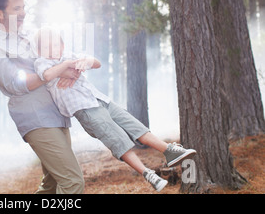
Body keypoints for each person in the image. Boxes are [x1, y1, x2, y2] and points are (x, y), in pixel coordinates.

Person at [34, 28, 197, 192]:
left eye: (56, 44)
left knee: (134, 126)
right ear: (40, 50)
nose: (53, 49)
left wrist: (85, 61)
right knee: (117, 140)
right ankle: (147, 174)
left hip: (101, 100)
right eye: (48, 46)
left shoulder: (68, 54)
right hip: (84, 109)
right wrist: (69, 66)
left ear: (62, 45)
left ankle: (168, 151)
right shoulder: (42, 62)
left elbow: (96, 63)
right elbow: (47, 75)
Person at [0, 0, 85, 194]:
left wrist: (70, 68)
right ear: (0, 14)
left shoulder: (31, 35)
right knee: (73, 182)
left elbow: (55, 60)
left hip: (57, 113)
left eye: (23, 7)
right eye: (16, 8)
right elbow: (16, 83)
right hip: (36, 117)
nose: (23, 13)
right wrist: (56, 71)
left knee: (52, 184)